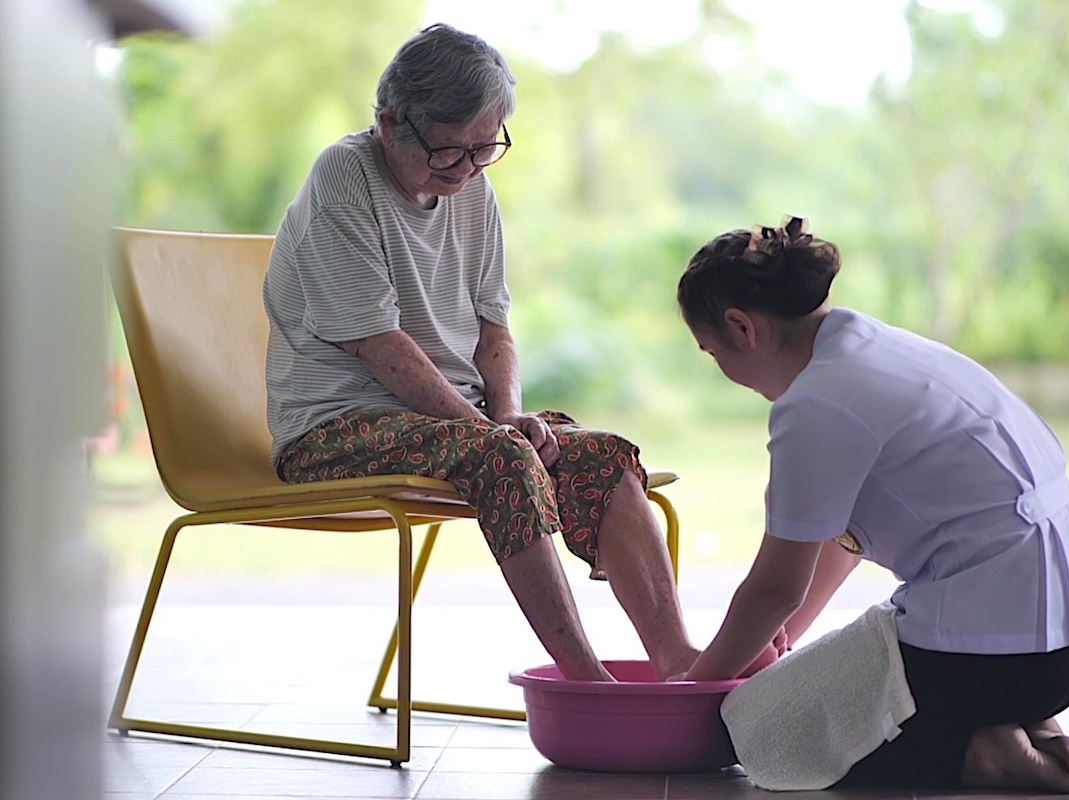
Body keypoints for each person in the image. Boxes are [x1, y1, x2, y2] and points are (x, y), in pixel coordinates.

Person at [262, 23, 751, 682]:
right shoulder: (344, 177)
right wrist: (494, 432)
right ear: (389, 123)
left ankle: (677, 661)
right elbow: (376, 344)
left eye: (485, 148)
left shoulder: (474, 192)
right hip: (330, 429)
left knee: (602, 454)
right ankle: (587, 683)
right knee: (503, 451)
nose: (467, 169)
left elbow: (495, 331)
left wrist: (511, 414)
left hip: (451, 426)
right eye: (448, 153)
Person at [674, 216, 1069, 793]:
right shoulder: (882, 350)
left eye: (711, 350)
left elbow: (774, 588)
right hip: (1066, 651)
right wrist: (781, 642)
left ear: (743, 328)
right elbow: (837, 543)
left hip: (994, 661)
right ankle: (1026, 727)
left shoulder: (816, 403)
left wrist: (690, 694)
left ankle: (985, 754)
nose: (721, 369)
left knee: (755, 726)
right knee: (820, 675)